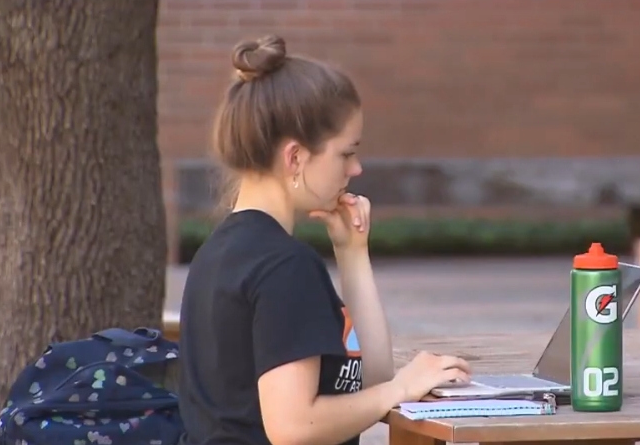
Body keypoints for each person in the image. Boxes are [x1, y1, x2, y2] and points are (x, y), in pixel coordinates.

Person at [177, 34, 472, 445]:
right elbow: (294, 427)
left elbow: (368, 381)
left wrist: (352, 254)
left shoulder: (219, 251)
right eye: (346, 153)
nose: (356, 169)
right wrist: (403, 388)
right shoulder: (284, 266)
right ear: (295, 158)